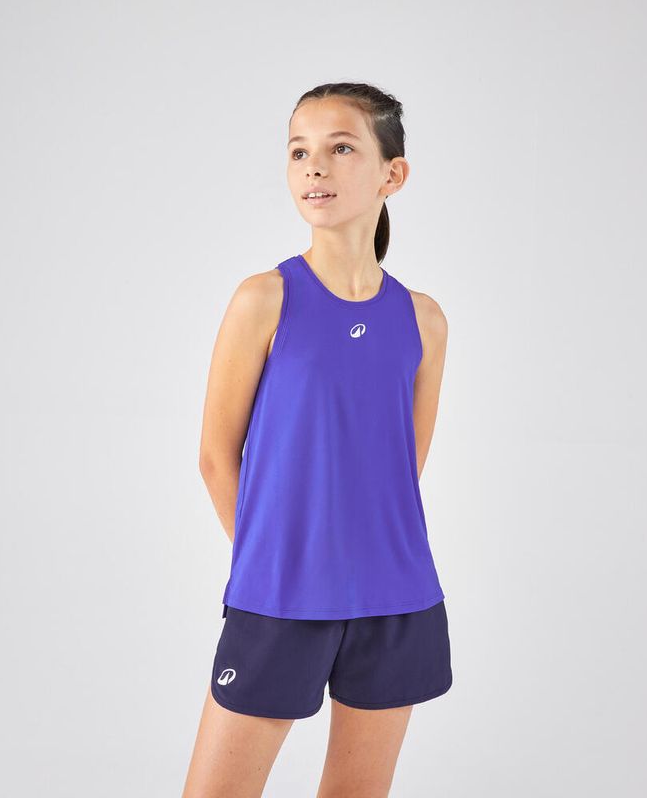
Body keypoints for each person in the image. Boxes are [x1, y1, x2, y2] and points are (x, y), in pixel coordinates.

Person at [182, 82, 452, 798]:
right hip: (279, 594)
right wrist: (274, 559)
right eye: (299, 151)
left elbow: (402, 470)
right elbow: (215, 458)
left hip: (396, 597)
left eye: (341, 148)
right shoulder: (264, 299)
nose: (314, 167)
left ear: (393, 174)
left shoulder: (424, 320)